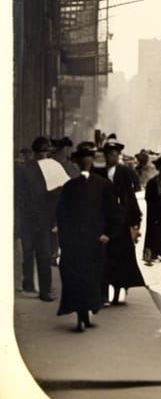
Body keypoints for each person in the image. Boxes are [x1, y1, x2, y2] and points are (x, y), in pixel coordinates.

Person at [56, 144, 118, 332]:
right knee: (79, 277)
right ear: (78, 162)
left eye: (89, 158)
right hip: (77, 242)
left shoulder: (103, 185)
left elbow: (113, 212)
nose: (86, 162)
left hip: (94, 241)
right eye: (83, 158)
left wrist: (109, 233)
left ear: (92, 162)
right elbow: (62, 215)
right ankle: (82, 315)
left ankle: (88, 310)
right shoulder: (70, 186)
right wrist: (64, 240)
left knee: (91, 277)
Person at [16, 136, 67, 301]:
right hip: (46, 218)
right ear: (47, 151)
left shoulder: (25, 169)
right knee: (44, 254)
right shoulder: (55, 167)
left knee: (28, 253)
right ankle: (45, 290)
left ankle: (28, 284)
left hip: (27, 218)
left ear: (33, 152)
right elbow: (62, 193)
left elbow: (19, 196)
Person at [96, 140, 145, 305]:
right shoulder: (100, 173)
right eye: (110, 154)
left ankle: (120, 291)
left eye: (116, 154)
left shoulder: (125, 172)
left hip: (122, 224)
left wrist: (135, 221)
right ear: (106, 156)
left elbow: (130, 196)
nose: (113, 157)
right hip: (105, 221)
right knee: (104, 259)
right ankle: (103, 293)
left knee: (122, 258)